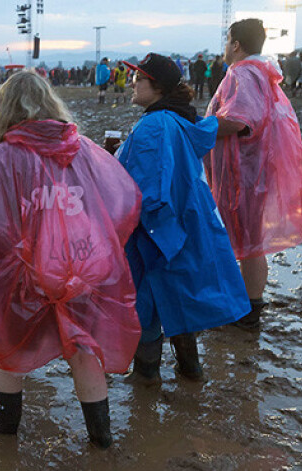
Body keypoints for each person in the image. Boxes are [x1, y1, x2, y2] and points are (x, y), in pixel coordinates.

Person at [0, 71, 143, 448]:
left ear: (2, 110)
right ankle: (102, 441)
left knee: (7, 351)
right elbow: (123, 199)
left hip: (19, 276)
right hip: (81, 268)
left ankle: (6, 440)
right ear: (51, 103)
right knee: (83, 350)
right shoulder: (83, 149)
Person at [117, 53, 250, 383]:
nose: (132, 84)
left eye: (139, 79)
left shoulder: (153, 125)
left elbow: (148, 190)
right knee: (179, 293)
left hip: (159, 227)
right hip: (190, 220)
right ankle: (190, 368)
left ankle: (146, 373)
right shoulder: (179, 120)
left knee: (149, 296)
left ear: (157, 86)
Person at [205, 19, 302, 330]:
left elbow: (240, 120)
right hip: (256, 166)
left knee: (244, 239)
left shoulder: (242, 72)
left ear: (236, 45)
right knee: (251, 240)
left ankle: (247, 309)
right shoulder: (263, 72)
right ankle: (250, 306)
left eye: (227, 40)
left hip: (243, 170)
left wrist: (198, 127)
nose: (224, 46)